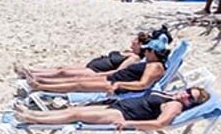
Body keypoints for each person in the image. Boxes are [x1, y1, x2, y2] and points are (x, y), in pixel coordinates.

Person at [25, 35, 170, 94]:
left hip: (116, 83)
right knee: (77, 81)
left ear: (153, 52)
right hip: (114, 79)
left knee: (78, 85)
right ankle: (39, 81)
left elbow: (143, 84)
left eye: (147, 50)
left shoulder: (155, 66)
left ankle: (40, 87)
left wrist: (120, 85)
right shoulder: (151, 62)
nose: (145, 52)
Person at [14, 86, 209, 130]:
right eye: (188, 91)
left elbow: (160, 124)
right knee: (70, 111)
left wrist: (128, 123)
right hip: (118, 106)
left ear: (190, 104)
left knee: (74, 114)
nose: (185, 94)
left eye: (190, 98)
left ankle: (32, 119)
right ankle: (32, 114)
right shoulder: (171, 94)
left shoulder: (174, 105)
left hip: (123, 114)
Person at [15, 28, 170, 82]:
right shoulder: (130, 52)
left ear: (141, 45)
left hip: (95, 71)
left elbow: (118, 72)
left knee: (63, 73)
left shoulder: (134, 58)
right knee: (60, 68)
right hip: (91, 65)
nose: (132, 41)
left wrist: (97, 76)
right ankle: (31, 71)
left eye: (135, 40)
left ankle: (33, 76)